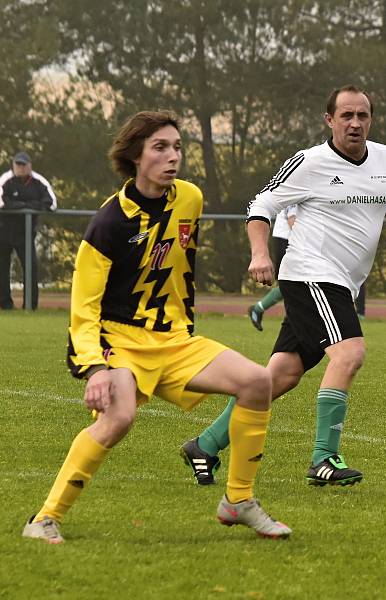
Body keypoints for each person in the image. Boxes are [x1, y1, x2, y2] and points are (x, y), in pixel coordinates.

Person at [22, 110, 290, 544]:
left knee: (258, 381)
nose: (173, 157)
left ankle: (238, 501)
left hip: (175, 341)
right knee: (119, 417)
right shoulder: (108, 223)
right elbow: (84, 307)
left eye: (178, 147)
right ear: (135, 157)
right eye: (160, 148)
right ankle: (45, 518)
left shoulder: (190, 199)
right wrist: (94, 369)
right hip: (121, 343)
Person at [181, 85, 386, 487]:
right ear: (329, 120)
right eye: (346, 115)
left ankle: (205, 444)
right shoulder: (309, 162)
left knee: (281, 376)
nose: (355, 123)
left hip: (344, 282)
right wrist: (259, 254)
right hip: (311, 275)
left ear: (371, 120)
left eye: (362, 115)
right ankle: (324, 459)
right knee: (349, 354)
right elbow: (261, 207)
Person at [0, 152, 57, 310]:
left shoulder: (39, 181)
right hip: (3, 232)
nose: (21, 168)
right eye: (18, 164)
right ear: (13, 165)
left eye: (23, 164)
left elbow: (51, 204)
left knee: (30, 268)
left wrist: (22, 205)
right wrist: (28, 205)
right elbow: (2, 203)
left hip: (25, 234)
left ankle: (30, 306)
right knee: (2, 269)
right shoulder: (5, 180)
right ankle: (5, 305)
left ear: (30, 166)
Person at [247, 207, 294, 331]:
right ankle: (258, 309)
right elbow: (292, 219)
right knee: (292, 283)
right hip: (288, 239)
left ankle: (258, 308)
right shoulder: (300, 188)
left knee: (295, 283)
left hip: (290, 239)